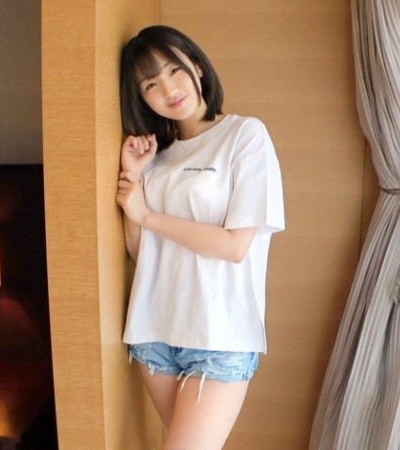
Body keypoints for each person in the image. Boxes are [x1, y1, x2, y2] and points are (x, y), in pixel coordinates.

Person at [115, 25, 285, 450]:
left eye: (174, 70)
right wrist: (134, 177)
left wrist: (147, 215)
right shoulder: (156, 156)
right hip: (154, 332)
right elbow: (141, 253)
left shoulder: (245, 136)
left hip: (219, 337)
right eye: (150, 84)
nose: (168, 89)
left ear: (196, 65)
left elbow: (234, 246)